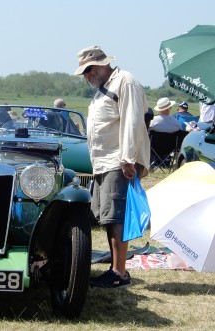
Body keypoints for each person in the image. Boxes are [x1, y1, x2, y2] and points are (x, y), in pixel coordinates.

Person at [74, 45, 150, 288]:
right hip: (104, 162)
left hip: (119, 160)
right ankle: (115, 269)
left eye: (90, 69)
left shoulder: (124, 81)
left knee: (116, 215)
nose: (88, 75)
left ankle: (119, 273)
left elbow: (133, 121)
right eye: (84, 72)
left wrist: (127, 159)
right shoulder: (102, 89)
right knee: (107, 215)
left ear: (104, 63)